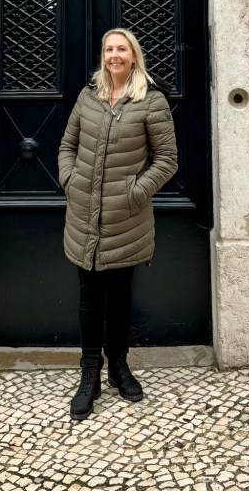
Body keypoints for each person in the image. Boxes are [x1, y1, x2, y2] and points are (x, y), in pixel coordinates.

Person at [58, 28, 178, 421]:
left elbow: (167, 160)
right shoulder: (88, 96)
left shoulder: (151, 101)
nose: (114, 55)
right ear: (103, 55)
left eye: (121, 49)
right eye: (109, 49)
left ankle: (119, 367)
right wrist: (70, 181)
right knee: (89, 298)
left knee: (120, 297)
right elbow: (67, 145)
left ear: (133, 56)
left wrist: (134, 193)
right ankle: (89, 373)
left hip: (126, 219)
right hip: (83, 214)